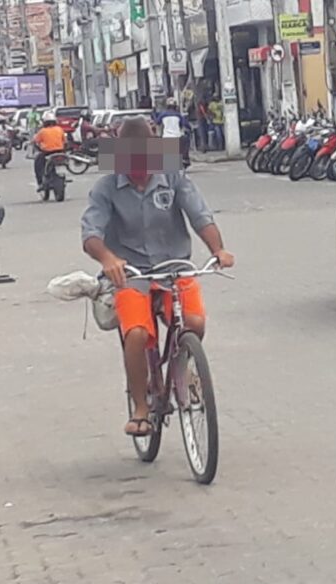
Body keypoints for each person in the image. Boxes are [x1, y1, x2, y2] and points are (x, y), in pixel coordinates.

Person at [79, 117, 235, 437]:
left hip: (173, 267)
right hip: (131, 273)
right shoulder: (106, 187)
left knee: (194, 322)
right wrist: (108, 259)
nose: (140, 169)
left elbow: (200, 216)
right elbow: (91, 233)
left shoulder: (173, 176)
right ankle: (140, 405)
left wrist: (218, 249)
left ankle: (184, 370)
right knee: (136, 333)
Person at [32, 111, 66, 189]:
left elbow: (35, 142)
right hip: (60, 152)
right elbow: (65, 142)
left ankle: (40, 182)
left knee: (37, 164)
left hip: (47, 153)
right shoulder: (60, 129)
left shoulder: (42, 131)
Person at [155, 99, 191, 167]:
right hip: (177, 136)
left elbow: (157, 123)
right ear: (175, 107)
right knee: (186, 142)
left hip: (166, 137)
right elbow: (185, 125)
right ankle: (185, 159)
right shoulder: (178, 115)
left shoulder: (163, 114)